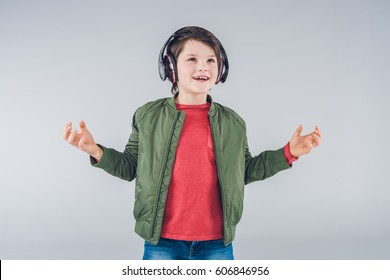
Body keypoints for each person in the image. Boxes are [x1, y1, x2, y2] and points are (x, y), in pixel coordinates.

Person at [63, 26, 322, 260]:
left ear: (221, 69)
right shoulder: (147, 116)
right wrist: (95, 151)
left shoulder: (233, 122)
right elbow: (130, 166)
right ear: (171, 68)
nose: (203, 67)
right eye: (192, 59)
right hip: (161, 241)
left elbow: (244, 170)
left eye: (211, 60)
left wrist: (288, 153)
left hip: (216, 244)